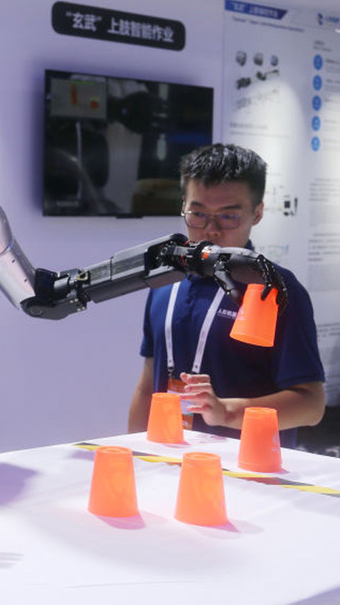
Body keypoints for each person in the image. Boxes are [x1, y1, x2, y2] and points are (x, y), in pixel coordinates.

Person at [128, 143, 325, 447]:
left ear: (257, 213)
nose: (211, 230)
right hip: (166, 459)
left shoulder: (274, 287)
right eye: (197, 213)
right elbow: (146, 387)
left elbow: (310, 405)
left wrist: (227, 412)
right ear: (184, 207)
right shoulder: (165, 281)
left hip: (248, 472)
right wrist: (134, 454)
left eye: (229, 216)